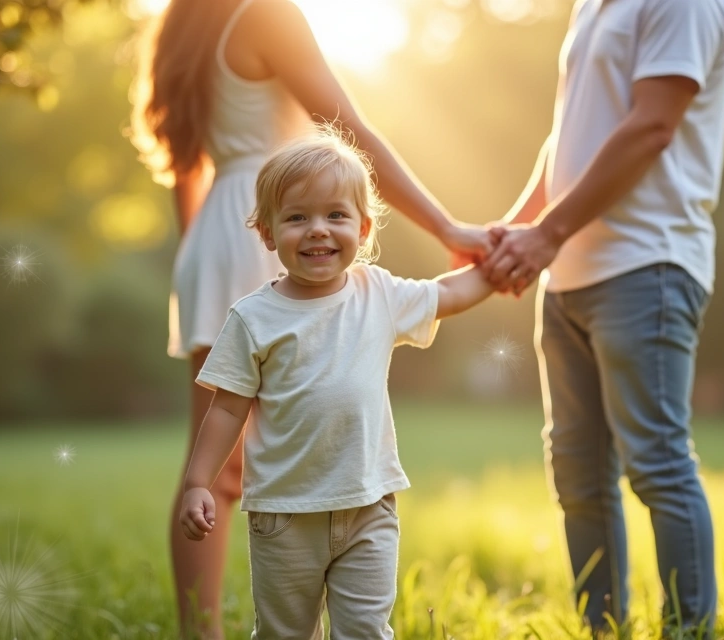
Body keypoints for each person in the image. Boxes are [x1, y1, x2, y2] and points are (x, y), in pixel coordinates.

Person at [128, 0, 492, 635]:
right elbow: (349, 130)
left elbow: (185, 170)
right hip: (266, 226)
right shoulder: (266, 14)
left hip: (223, 232)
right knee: (222, 458)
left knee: (213, 458)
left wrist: (198, 258)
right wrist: (446, 226)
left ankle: (200, 631)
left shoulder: (184, 27)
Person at [480, 0, 724, 634]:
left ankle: (687, 631)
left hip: (646, 263)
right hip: (569, 273)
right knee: (578, 473)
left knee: (658, 465)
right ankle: (603, 630)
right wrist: (522, 230)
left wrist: (547, 234)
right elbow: (568, 135)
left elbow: (653, 126)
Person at [177, 131, 494, 638]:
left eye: (336, 215)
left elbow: (448, 294)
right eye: (297, 217)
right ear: (267, 233)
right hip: (285, 516)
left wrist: (501, 269)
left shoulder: (379, 293)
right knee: (286, 633)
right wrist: (198, 483)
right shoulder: (253, 317)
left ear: (363, 228)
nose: (317, 230)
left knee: (367, 630)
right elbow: (227, 410)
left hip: (369, 506)